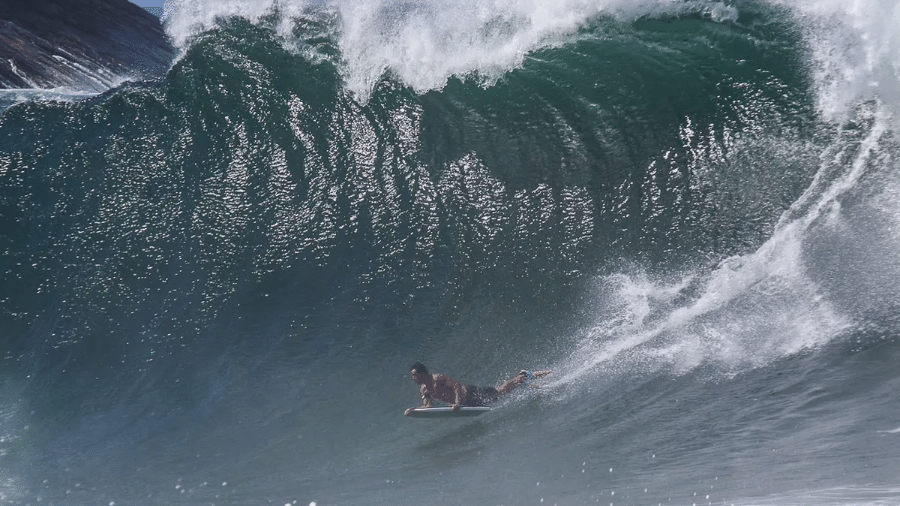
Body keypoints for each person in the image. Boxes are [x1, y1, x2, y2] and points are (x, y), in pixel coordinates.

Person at [404, 362, 552, 415]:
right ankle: (521, 383)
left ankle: (524, 375)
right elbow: (428, 406)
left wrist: (456, 402)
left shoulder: (437, 378)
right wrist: (415, 409)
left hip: (470, 393)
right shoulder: (424, 390)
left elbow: (456, 386)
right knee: (499, 396)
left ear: (422, 373)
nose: (413, 378)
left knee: (499, 393)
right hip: (467, 403)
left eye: (414, 375)